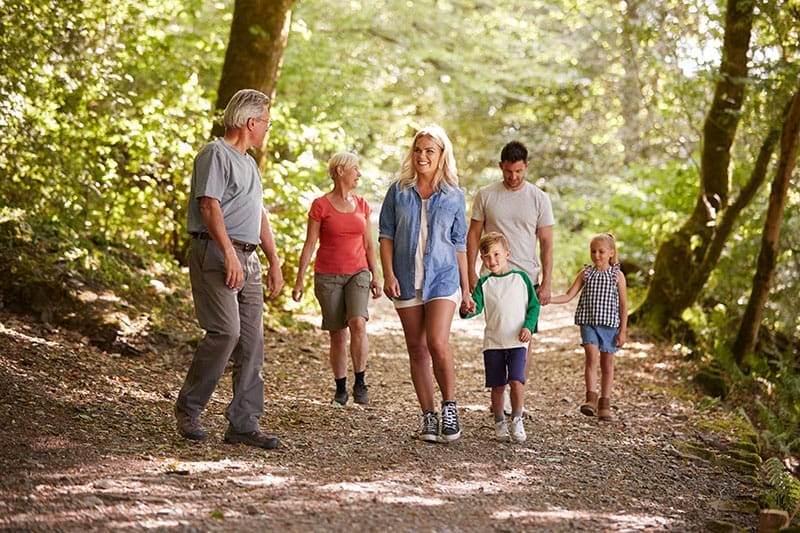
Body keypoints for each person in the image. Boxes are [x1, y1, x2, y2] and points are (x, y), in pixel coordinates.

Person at [174, 89, 284, 449]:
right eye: (266, 122)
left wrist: (273, 260)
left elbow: (259, 215)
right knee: (225, 333)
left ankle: (243, 423)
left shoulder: (250, 162)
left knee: (252, 342)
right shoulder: (214, 154)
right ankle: (189, 409)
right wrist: (229, 254)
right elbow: (209, 206)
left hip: (247, 258)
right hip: (217, 254)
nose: (267, 128)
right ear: (251, 122)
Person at [378, 124, 474, 443]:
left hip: (443, 278)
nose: (422, 156)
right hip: (406, 278)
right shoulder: (399, 190)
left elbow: (459, 242)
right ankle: (428, 417)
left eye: (429, 151)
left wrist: (467, 288)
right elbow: (386, 235)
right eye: (418, 150)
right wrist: (388, 273)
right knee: (416, 348)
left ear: (442, 155)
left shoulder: (454, 195)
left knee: (437, 342)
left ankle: (449, 406)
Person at [466, 140, 554, 416]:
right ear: (500, 167)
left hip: (526, 278)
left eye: (518, 171)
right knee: (498, 333)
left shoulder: (539, 198)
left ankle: (517, 397)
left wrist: (547, 282)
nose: (513, 177)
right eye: (508, 171)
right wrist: (470, 272)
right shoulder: (486, 195)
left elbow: (547, 243)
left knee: (524, 337)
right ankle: (499, 393)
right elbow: (473, 236)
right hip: (493, 279)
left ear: (526, 167)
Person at [292, 152, 382, 407]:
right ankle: (340, 387)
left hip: (358, 272)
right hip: (328, 275)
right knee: (337, 334)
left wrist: (376, 276)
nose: (359, 174)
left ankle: (360, 382)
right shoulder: (320, 205)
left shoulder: (362, 204)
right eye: (355, 169)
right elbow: (309, 245)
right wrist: (299, 279)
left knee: (358, 322)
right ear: (340, 170)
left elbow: (368, 245)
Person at [461, 232, 540, 442]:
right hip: (493, 343)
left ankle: (516, 418)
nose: (492, 260)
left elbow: (534, 306)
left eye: (496, 255)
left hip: (517, 341)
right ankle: (499, 421)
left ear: (507, 253)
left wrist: (529, 327)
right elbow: (475, 308)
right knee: (497, 386)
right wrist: (466, 309)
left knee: (517, 380)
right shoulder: (484, 284)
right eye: (486, 256)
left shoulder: (521, 279)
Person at [550, 232, 628, 421]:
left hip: (610, 326)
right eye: (593, 251)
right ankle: (590, 399)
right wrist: (548, 299)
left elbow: (623, 305)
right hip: (588, 323)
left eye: (601, 251)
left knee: (607, 365)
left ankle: (605, 404)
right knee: (591, 358)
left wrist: (623, 331)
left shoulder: (617, 275)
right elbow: (569, 295)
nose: (596, 255)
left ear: (611, 253)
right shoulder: (586, 273)